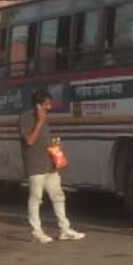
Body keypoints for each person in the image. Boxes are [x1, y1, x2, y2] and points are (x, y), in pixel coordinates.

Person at [20, 90, 84, 244]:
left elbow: (44, 140)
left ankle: (65, 229)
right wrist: (40, 122)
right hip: (35, 165)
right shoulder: (26, 117)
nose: (49, 107)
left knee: (58, 195)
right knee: (36, 198)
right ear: (38, 104)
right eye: (46, 104)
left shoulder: (45, 118)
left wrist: (56, 147)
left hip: (49, 164)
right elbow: (29, 141)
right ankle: (37, 231)